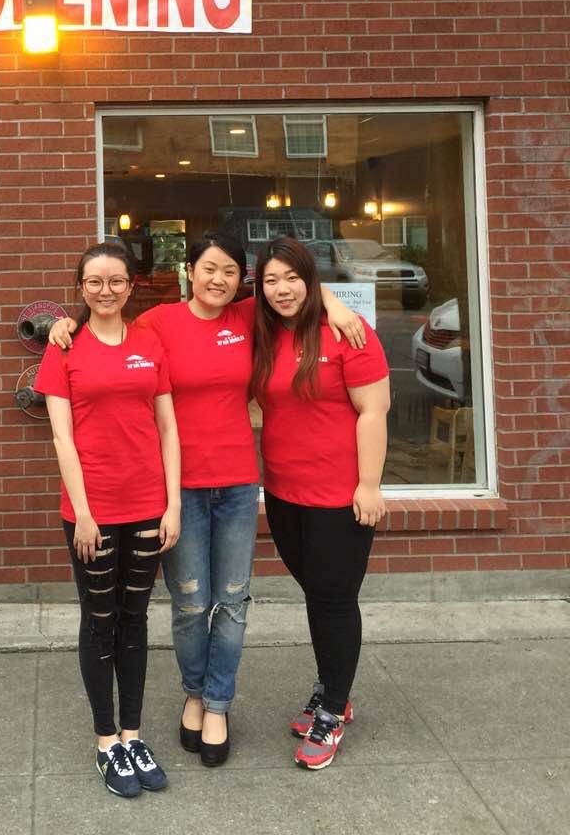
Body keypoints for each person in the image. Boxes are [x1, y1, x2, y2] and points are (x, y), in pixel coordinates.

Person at [49, 230, 364, 768]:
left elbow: (293, 289)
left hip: (238, 483)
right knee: (191, 603)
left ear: (241, 280)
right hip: (179, 488)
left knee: (233, 601)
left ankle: (218, 703)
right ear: (189, 271)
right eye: (208, 268)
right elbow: (106, 316)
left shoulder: (247, 317)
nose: (218, 279)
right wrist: (66, 323)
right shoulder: (158, 323)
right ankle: (194, 694)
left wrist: (335, 303)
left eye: (230, 271)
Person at [35, 240, 181, 799]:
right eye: (94, 281)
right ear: (80, 288)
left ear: (130, 286)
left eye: (116, 280)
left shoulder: (149, 341)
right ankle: (105, 741)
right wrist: (84, 514)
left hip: (147, 505)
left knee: (135, 620)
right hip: (91, 513)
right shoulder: (64, 348)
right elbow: (62, 439)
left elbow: (167, 427)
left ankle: (132, 735)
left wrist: (173, 504)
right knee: (100, 621)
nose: (106, 290)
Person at [251, 236, 390, 771]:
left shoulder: (349, 333)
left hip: (339, 496)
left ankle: (332, 707)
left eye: (293, 277)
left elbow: (374, 411)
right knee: (317, 594)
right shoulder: (266, 330)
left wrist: (369, 484)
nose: (282, 289)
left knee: (334, 599)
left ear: (311, 279)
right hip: (284, 492)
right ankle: (334, 685)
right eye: (271, 280)